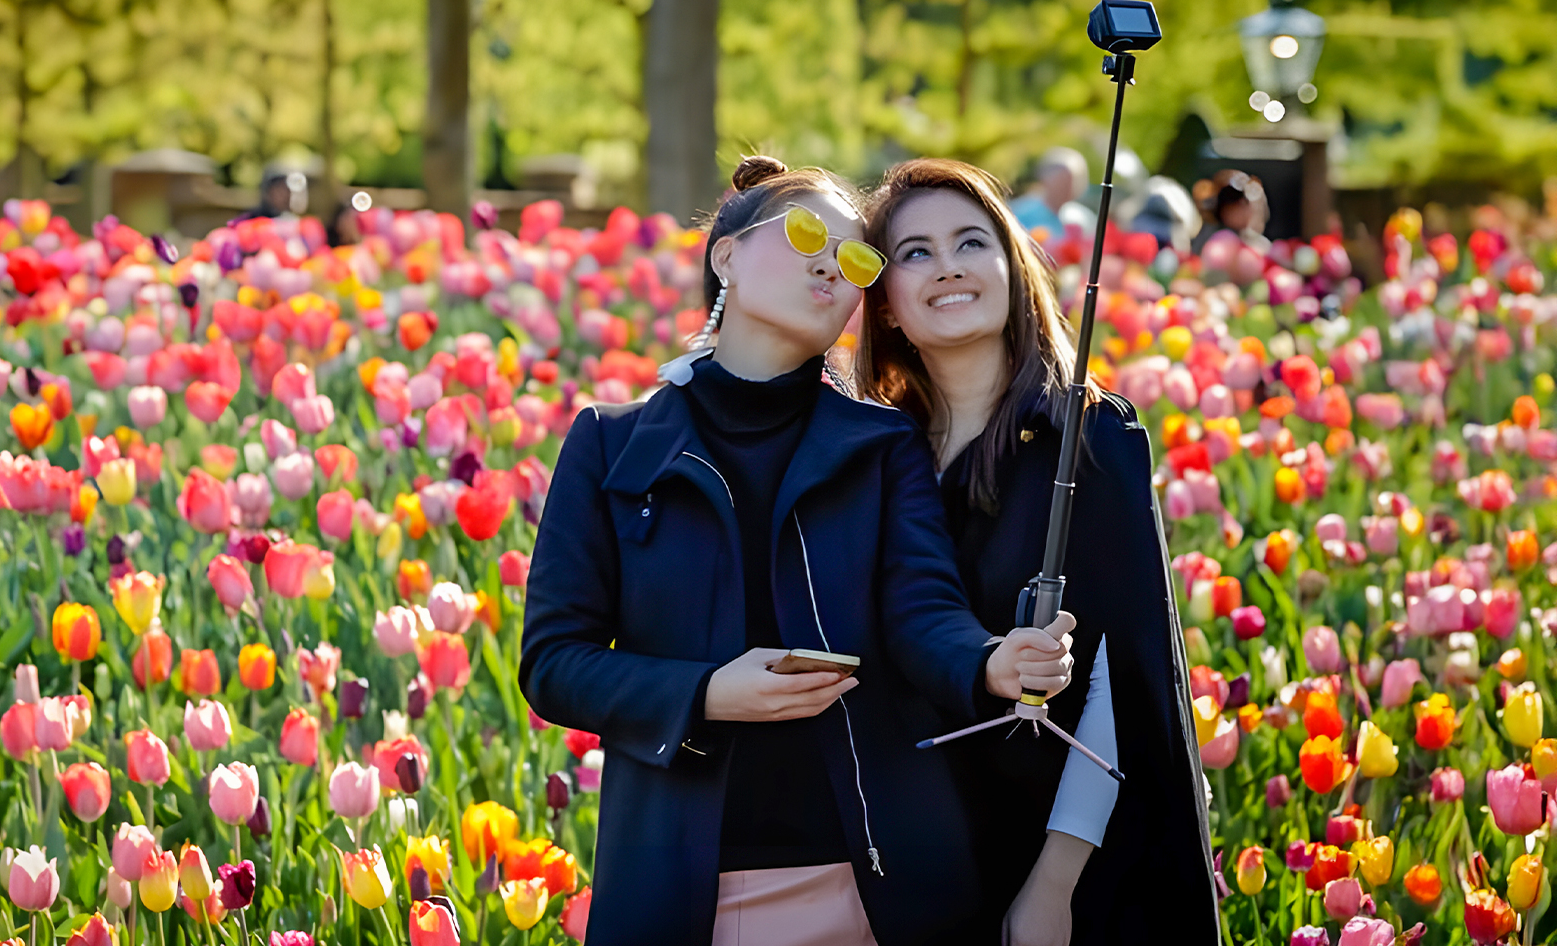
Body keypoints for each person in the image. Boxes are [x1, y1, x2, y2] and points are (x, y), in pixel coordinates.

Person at [520, 155, 1077, 946]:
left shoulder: (883, 444)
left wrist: (988, 662)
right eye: (808, 232)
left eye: (857, 259)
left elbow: (922, 609)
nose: (831, 263)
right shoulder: (611, 447)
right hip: (677, 884)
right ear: (727, 256)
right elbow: (553, 662)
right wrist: (708, 691)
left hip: (872, 879)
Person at [855, 158, 1218, 946]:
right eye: (914, 252)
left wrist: (1054, 884)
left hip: (1071, 858)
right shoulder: (879, 456)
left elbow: (1121, 681)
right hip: (924, 855)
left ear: (1012, 269)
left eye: (970, 242)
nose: (947, 265)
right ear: (884, 305)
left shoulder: (1086, 437)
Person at [1008, 147, 1088, 240]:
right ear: (1045, 179)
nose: (1067, 188)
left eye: (1072, 182)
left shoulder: (1081, 217)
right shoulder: (1020, 212)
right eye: (1061, 182)